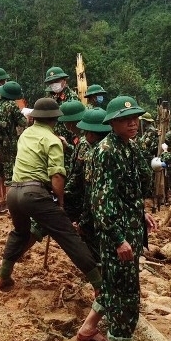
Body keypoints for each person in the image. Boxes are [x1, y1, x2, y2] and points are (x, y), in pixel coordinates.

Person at [0, 98, 103, 295]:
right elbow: (57, 175)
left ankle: (4, 275)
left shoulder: (25, 134)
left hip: (13, 193)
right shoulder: (52, 140)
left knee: (20, 232)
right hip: (34, 193)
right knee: (67, 236)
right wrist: (59, 201)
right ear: (54, 119)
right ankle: (99, 283)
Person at [76, 95, 157, 341]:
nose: (133, 123)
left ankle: (87, 330)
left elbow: (130, 191)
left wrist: (140, 213)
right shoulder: (106, 152)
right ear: (113, 123)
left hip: (129, 229)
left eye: (135, 118)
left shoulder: (131, 147)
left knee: (113, 285)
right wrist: (118, 239)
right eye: (126, 119)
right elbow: (101, 203)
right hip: (117, 236)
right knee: (126, 295)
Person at [64, 107, 111, 262]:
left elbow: (79, 175)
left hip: (90, 200)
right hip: (107, 203)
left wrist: (64, 193)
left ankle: (95, 266)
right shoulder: (112, 146)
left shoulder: (89, 148)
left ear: (90, 133)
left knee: (89, 233)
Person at [0, 80, 27, 199]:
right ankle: (10, 204)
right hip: (8, 144)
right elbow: (23, 122)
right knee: (9, 173)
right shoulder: (11, 105)